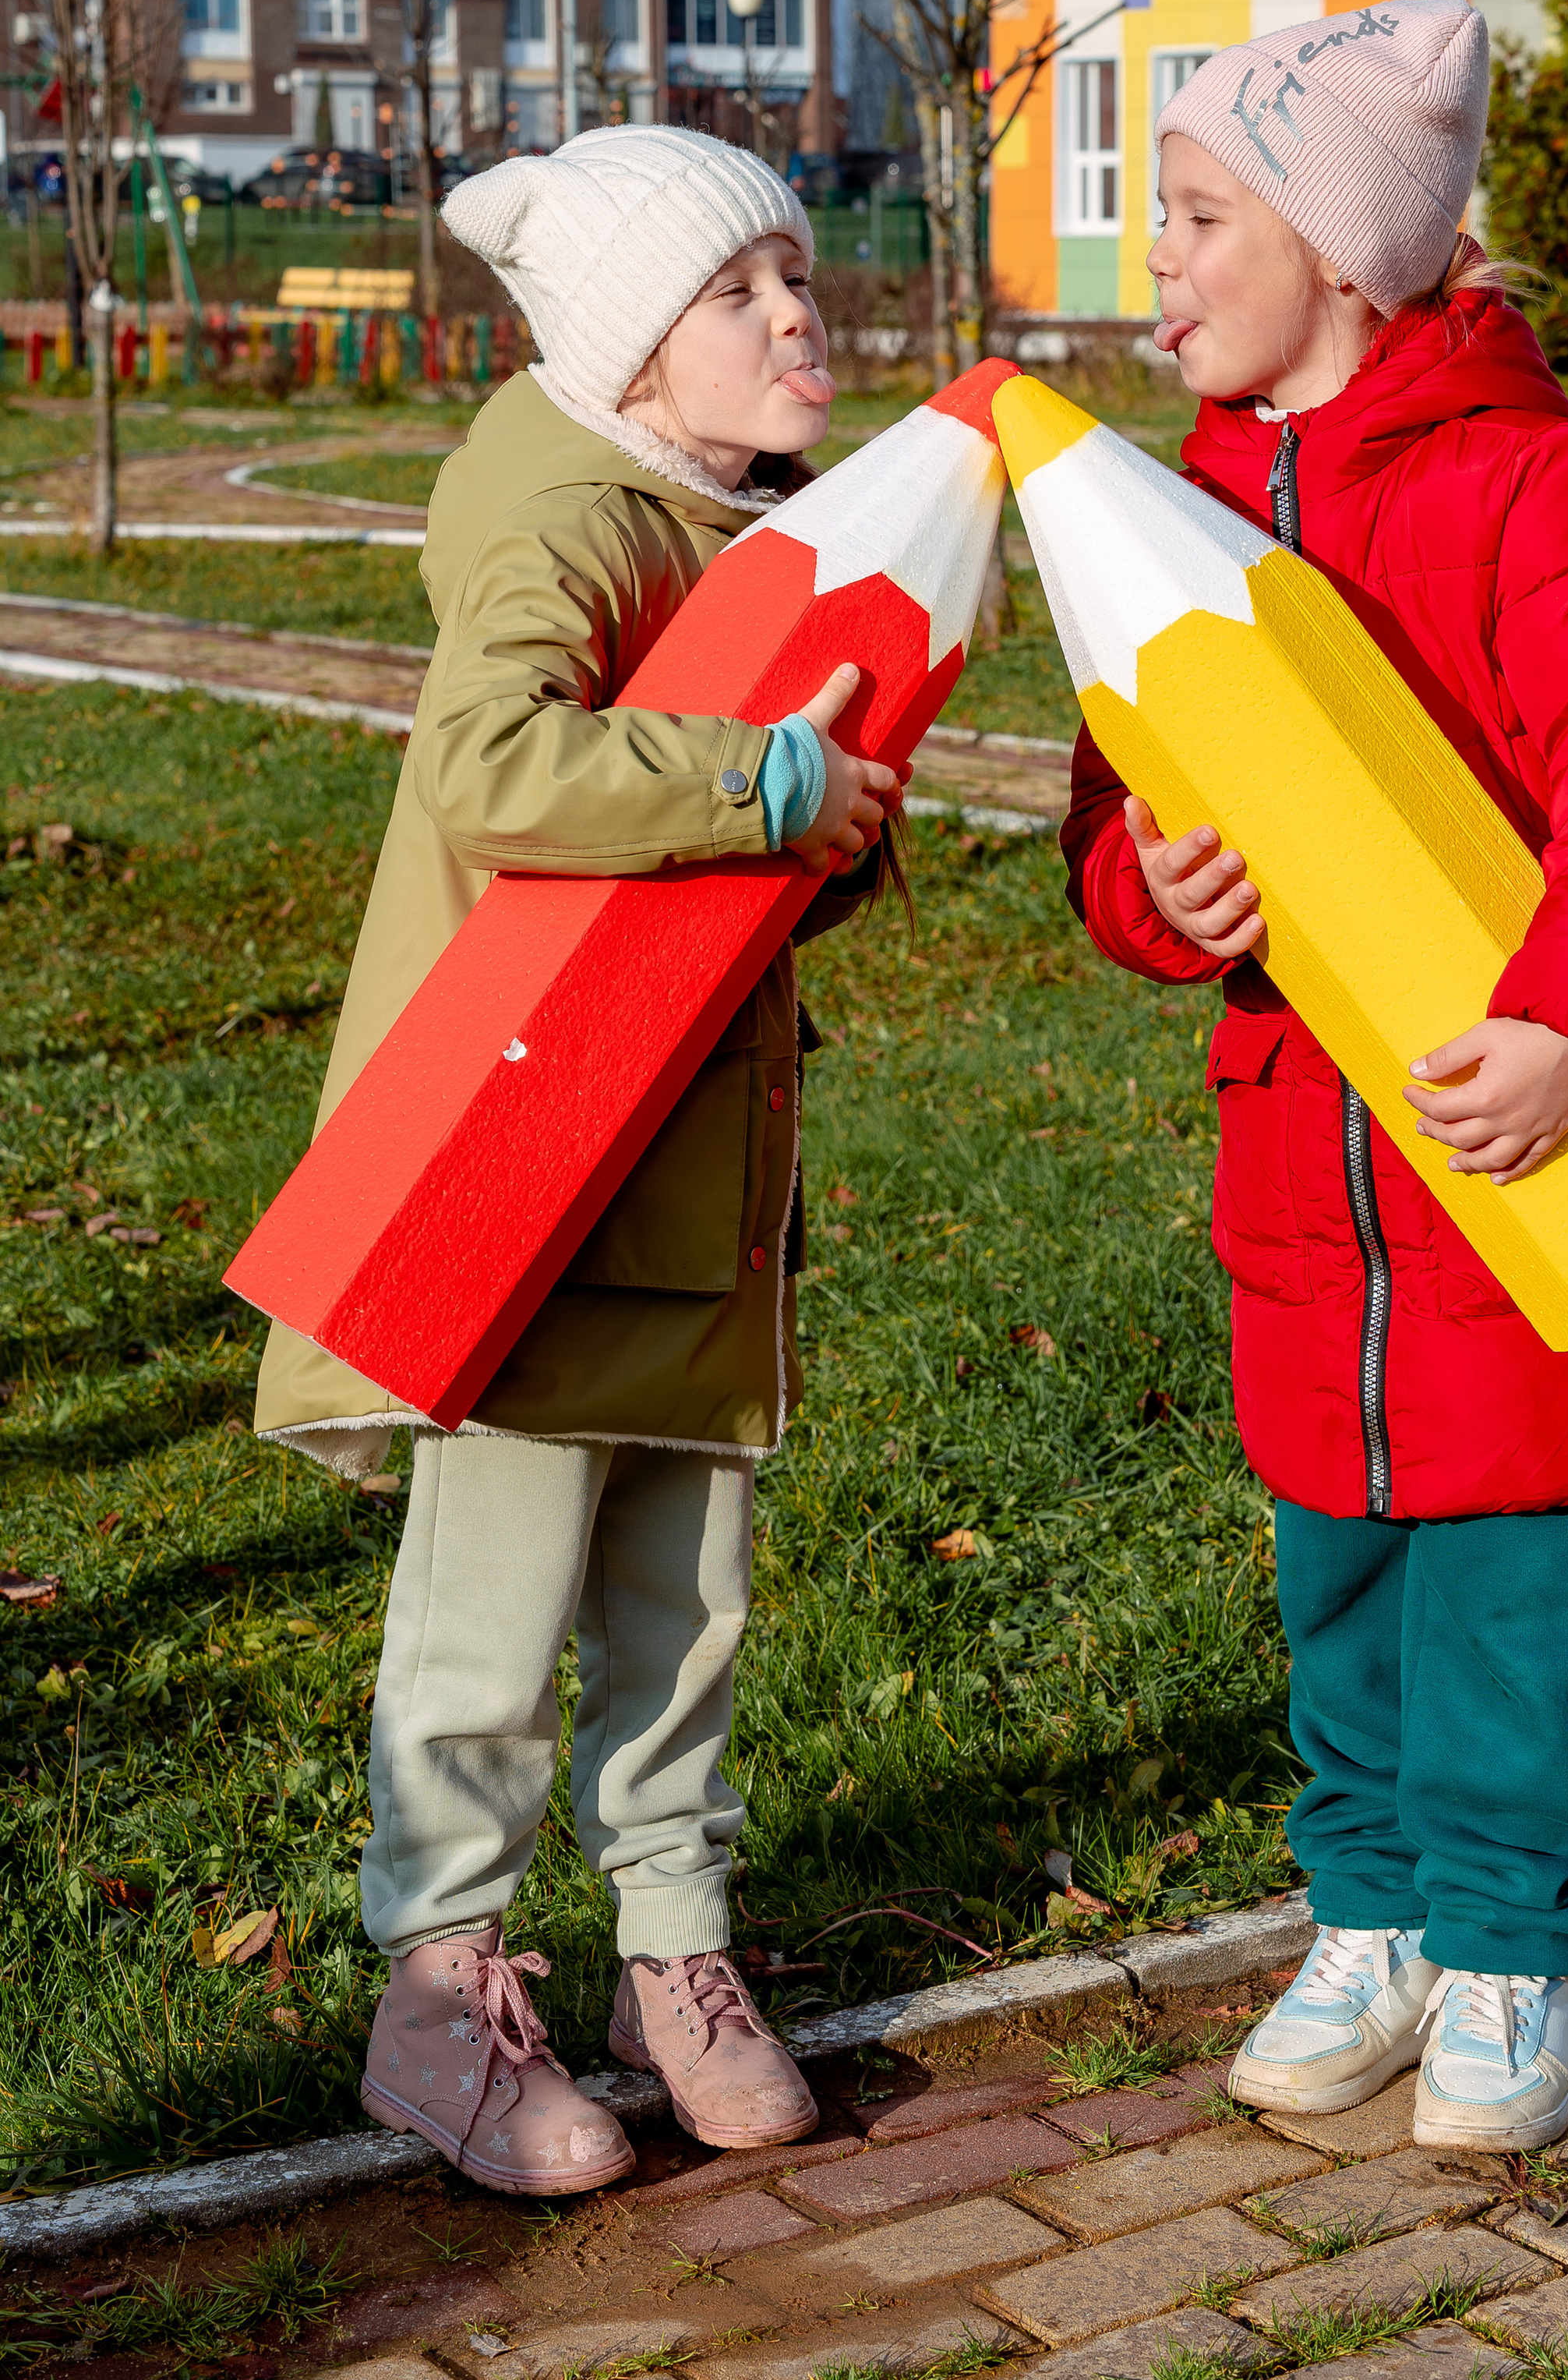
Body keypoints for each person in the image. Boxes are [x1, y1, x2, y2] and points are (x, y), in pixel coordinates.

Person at [1060, 2, 1568, 2152]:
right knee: (1342, 1583)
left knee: (1516, 1591)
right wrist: (1148, 898)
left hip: (1518, 1165)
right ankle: (1367, 1918)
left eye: (1193, 218)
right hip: (1313, 1205)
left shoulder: (1526, 486)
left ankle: (1509, 1947)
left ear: (1344, 257)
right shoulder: (1165, 518)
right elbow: (1107, 821)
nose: (1152, 262)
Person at [254, 127, 902, 2193]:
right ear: (631, 357)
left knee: (682, 1596)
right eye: (739, 291)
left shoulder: (756, 525)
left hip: (690, 1161)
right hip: (525, 1166)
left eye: (801, 272)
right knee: (496, 1603)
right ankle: (440, 1997)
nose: (799, 314)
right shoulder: (560, 511)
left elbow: (753, 864)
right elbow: (494, 760)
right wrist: (768, 777)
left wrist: (827, 835)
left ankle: (675, 1954)